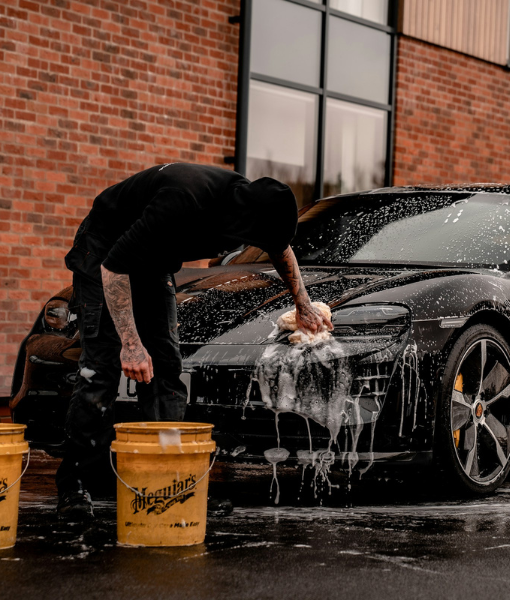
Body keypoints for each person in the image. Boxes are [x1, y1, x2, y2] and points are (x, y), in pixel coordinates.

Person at [56, 163, 333, 519]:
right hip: (105, 253)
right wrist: (130, 342)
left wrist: (303, 303)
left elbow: (281, 250)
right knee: (102, 369)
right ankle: (75, 484)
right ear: (242, 219)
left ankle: (170, 480)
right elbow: (114, 268)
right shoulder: (184, 199)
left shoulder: (257, 204)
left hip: (152, 259)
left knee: (167, 369)